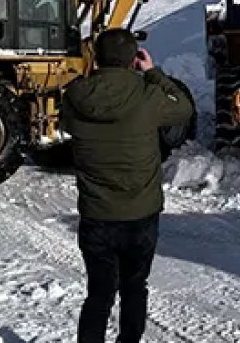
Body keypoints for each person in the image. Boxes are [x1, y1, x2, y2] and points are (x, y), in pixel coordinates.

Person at [61, 28, 194, 342]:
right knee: (135, 287)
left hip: (96, 216)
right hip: (140, 216)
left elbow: (66, 124)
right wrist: (153, 74)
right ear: (134, 59)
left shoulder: (76, 96)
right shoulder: (148, 96)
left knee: (99, 293)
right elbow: (184, 107)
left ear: (97, 57)